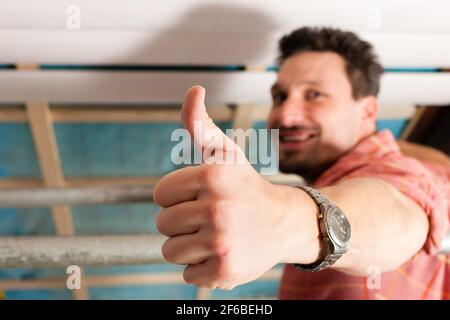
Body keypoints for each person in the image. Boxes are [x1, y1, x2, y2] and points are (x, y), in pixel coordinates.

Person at [153, 27, 449, 299]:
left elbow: (400, 216)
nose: (286, 115)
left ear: (368, 111)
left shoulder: (398, 170)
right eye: (280, 97)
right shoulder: (327, 188)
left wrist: (282, 220)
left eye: (315, 94)